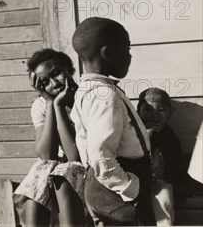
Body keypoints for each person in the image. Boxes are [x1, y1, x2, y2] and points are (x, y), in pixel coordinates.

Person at [71, 17, 156, 226]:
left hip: (105, 183)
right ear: (108, 53)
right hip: (119, 187)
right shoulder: (105, 95)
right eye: (127, 49)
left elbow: (84, 144)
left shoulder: (86, 91)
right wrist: (130, 188)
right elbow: (101, 155)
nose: (130, 56)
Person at [13, 49, 87, 227]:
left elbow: (75, 157)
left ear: (68, 68)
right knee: (41, 169)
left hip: (87, 166)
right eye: (45, 82)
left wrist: (60, 106)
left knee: (63, 171)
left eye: (56, 73)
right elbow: (46, 155)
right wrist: (50, 103)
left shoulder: (85, 97)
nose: (54, 83)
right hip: (56, 171)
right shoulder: (41, 104)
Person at [137, 88, 185, 226]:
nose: (155, 115)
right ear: (138, 111)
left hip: (159, 184)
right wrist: (147, 136)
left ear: (170, 114)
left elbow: (177, 166)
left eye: (162, 110)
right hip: (135, 183)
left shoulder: (170, 136)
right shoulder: (132, 133)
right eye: (148, 110)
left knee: (164, 194)